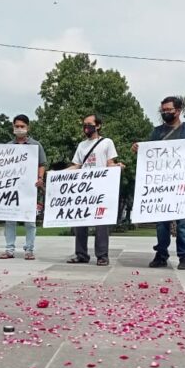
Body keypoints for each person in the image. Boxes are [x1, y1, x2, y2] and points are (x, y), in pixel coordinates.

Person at [132, 96, 185, 270]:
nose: (165, 113)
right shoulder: (156, 132)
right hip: (160, 186)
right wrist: (139, 150)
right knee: (161, 224)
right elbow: (149, 156)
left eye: (169, 110)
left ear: (178, 111)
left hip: (182, 186)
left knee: (183, 223)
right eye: (163, 111)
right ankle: (161, 255)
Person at [65, 114, 124, 267]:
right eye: (84, 124)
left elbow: (110, 163)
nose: (86, 127)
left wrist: (117, 167)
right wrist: (59, 174)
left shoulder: (107, 143)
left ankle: (102, 256)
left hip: (101, 188)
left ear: (98, 126)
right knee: (80, 222)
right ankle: (81, 254)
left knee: (101, 223)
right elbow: (77, 166)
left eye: (89, 124)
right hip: (84, 189)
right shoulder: (81, 145)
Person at [0, 114, 46, 260]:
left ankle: (29, 249)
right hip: (12, 189)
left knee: (30, 221)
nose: (19, 129)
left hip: (29, 189)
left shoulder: (36, 145)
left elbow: (42, 164)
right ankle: (9, 249)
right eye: (17, 126)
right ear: (13, 127)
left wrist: (40, 178)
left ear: (28, 127)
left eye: (22, 126)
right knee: (10, 220)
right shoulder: (8, 147)